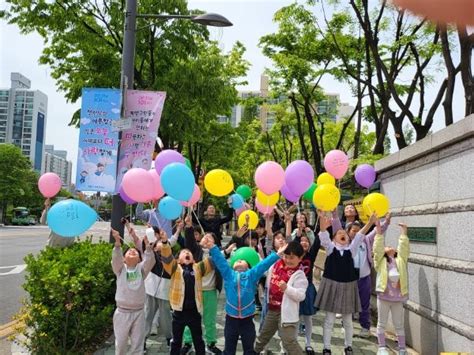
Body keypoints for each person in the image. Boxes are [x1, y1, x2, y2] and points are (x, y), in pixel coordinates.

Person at [209, 236, 287, 355]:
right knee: (229, 350)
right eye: (236, 260)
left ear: (249, 265)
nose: (239, 260)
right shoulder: (229, 274)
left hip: (247, 320)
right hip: (231, 320)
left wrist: (277, 254)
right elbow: (221, 261)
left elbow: (263, 265)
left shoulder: (251, 275)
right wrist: (212, 247)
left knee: (249, 350)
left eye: (242, 259)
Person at [316, 212, 376, 355]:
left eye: (345, 233)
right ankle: (326, 347)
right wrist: (322, 218)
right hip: (331, 285)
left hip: (348, 286)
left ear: (348, 238)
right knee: (329, 319)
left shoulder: (352, 249)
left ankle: (348, 346)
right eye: (339, 233)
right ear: (334, 238)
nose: (342, 234)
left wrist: (370, 222)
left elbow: (361, 235)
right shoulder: (331, 249)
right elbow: (323, 233)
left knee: (348, 320)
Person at [160, 229, 214, 355]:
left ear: (194, 259)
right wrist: (164, 242)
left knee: (198, 340)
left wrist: (211, 246)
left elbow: (213, 261)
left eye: (189, 252)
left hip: (194, 312)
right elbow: (167, 258)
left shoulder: (198, 268)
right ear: (178, 259)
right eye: (184, 252)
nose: (187, 253)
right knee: (176, 341)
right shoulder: (174, 268)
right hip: (179, 312)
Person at [254, 241, 308, 355]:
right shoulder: (276, 265)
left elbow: (301, 296)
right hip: (272, 310)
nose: (288, 260)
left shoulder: (299, 275)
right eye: (286, 256)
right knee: (262, 337)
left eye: (292, 257)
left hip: (287, 315)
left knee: (289, 342)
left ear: (300, 258)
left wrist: (287, 289)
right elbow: (263, 268)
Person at [180, 216, 223, 355]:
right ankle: (187, 343)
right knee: (190, 318)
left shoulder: (216, 255)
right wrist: (188, 227)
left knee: (209, 320)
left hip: (210, 291)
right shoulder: (196, 250)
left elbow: (226, 254)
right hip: (194, 291)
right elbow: (190, 241)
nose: (207, 239)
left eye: (211, 238)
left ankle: (211, 343)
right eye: (206, 237)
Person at [345, 213, 391, 338]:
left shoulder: (366, 239)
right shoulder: (346, 244)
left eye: (358, 230)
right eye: (353, 230)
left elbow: (377, 230)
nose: (356, 232)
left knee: (364, 303)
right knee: (348, 303)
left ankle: (365, 328)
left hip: (364, 277)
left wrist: (385, 222)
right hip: (349, 279)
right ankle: (346, 326)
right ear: (348, 232)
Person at [111, 228, 156, 355]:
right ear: (124, 259)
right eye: (129, 251)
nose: (132, 251)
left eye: (136, 252)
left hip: (139, 312)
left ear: (139, 260)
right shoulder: (120, 269)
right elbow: (116, 259)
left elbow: (150, 261)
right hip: (122, 312)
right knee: (120, 344)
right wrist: (117, 243)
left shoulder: (141, 270)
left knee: (137, 345)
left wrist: (148, 248)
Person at [373, 220, 410, 355]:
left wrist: (404, 232)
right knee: (381, 323)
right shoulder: (381, 262)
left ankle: (402, 348)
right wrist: (378, 231)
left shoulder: (400, 260)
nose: (389, 246)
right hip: (384, 296)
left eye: (390, 245)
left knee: (399, 324)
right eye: (386, 246)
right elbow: (377, 248)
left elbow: (404, 248)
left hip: (398, 297)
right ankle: (381, 347)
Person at [294, 232, 321, 355]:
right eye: (302, 240)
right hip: (295, 289)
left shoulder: (311, 256)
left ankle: (308, 344)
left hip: (308, 289)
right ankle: (294, 344)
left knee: (308, 318)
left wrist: (315, 230)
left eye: (307, 241)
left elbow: (317, 242)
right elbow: (291, 241)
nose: (304, 242)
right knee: (296, 318)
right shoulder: (293, 256)